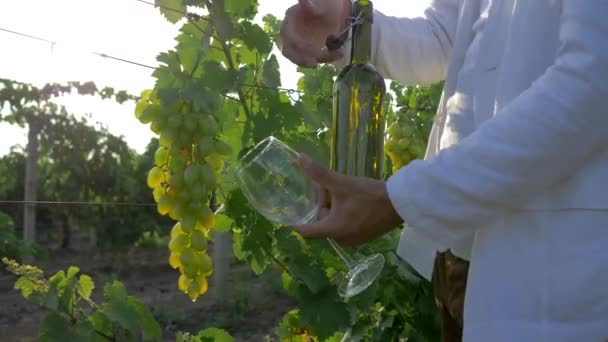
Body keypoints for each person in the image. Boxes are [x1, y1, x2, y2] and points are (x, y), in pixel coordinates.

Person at [280, 0, 608, 341]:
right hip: (459, 251)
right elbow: (444, 35)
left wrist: (407, 199)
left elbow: (596, 78)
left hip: (556, 261)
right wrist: (352, 24)